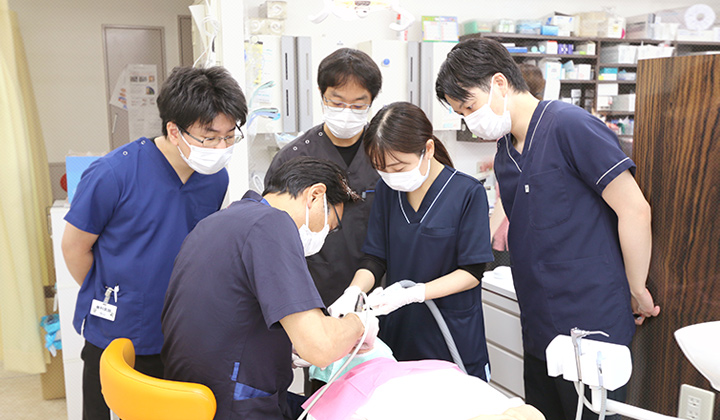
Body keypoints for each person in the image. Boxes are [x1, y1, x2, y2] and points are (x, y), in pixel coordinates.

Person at [435, 37, 660, 420]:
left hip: (591, 319)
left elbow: (635, 210)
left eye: (469, 106)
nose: (470, 120)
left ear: (500, 83)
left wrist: (636, 288)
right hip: (540, 322)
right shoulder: (505, 153)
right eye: (461, 113)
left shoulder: (570, 126)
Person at [61, 66, 247, 420]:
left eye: (229, 136)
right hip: (116, 333)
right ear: (174, 131)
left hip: (180, 334)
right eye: (210, 137)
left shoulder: (214, 178)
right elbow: (74, 248)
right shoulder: (113, 173)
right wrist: (119, 294)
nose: (221, 148)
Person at [161, 156, 378, 420]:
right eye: (330, 226)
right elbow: (321, 348)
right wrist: (360, 324)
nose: (325, 235)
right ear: (315, 195)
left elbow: (226, 317)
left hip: (191, 397)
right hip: (234, 406)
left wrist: (286, 347)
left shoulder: (217, 221)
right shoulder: (272, 225)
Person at [331, 101, 495, 381]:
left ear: (427, 149)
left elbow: (472, 272)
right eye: (382, 169)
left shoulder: (467, 193)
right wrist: (353, 292)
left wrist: (414, 293)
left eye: (399, 167)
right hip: (400, 331)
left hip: (450, 333)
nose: (391, 177)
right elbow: (375, 258)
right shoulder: (387, 191)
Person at [265, 48, 382, 307]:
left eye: (358, 105)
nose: (346, 111)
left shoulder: (385, 156)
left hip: (374, 291)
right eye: (337, 103)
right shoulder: (292, 158)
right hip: (309, 290)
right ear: (321, 95)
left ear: (371, 102)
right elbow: (273, 236)